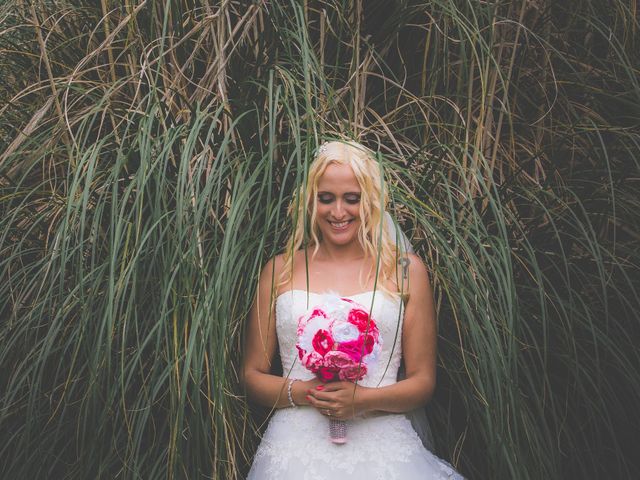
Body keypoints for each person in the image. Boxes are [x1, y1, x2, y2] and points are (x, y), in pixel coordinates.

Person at [241, 140, 464, 479]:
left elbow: (423, 381)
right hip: (294, 450)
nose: (338, 212)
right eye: (326, 198)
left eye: (352, 198)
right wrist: (305, 392)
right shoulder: (280, 270)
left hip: (384, 449)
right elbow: (252, 375)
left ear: (371, 201)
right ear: (310, 201)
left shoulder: (405, 270)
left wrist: (361, 400)